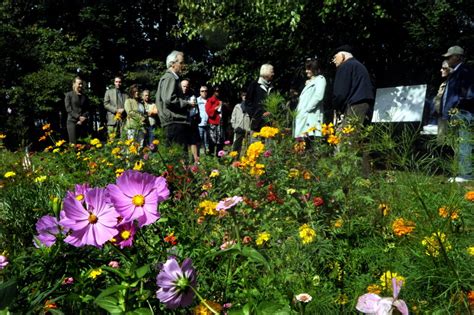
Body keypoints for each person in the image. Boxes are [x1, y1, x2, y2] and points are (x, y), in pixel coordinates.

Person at [441, 45, 474, 182]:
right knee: (457, 143)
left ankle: (466, 174)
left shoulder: (465, 70)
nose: (447, 59)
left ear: (458, 57)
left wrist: (457, 106)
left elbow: (470, 94)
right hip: (455, 114)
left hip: (463, 113)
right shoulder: (455, 72)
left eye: (450, 57)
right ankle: (460, 172)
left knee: (464, 142)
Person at [156, 51, 195, 151]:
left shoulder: (169, 78)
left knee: (173, 159)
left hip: (172, 123)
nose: (183, 65)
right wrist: (187, 104)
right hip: (174, 123)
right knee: (180, 158)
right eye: (181, 63)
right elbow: (169, 99)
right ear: (173, 64)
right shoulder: (170, 78)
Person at [332, 45, 374, 127]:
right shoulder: (359, 66)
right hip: (366, 107)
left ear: (342, 56)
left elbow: (340, 93)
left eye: (335, 57)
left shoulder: (345, 66)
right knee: (361, 137)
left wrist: (335, 105)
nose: (333, 61)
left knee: (346, 138)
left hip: (354, 107)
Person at [294, 58, 326, 139]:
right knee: (303, 143)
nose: (306, 71)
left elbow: (319, 96)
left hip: (311, 117)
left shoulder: (320, 79)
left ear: (315, 69)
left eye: (309, 69)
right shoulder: (311, 81)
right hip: (305, 116)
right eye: (306, 69)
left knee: (311, 142)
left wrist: (307, 108)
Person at [244, 64, 274, 133]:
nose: (273, 74)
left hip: (270, 125)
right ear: (265, 72)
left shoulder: (272, 87)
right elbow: (248, 104)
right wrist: (259, 115)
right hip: (257, 125)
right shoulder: (254, 85)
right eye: (271, 72)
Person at [65, 76, 89, 144]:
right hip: (72, 122)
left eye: (81, 84)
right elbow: (68, 109)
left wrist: (83, 117)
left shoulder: (85, 96)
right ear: (74, 84)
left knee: (83, 144)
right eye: (79, 84)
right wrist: (78, 117)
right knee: (73, 144)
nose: (80, 85)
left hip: (83, 122)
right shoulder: (69, 95)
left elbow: (87, 109)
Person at [182, 79, 200, 163]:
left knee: (193, 141)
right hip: (182, 121)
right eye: (184, 86)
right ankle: (185, 162)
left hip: (192, 121)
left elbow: (195, 108)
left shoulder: (192, 95)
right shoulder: (178, 96)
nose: (185, 88)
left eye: (187, 86)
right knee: (183, 143)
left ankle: (196, 161)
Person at [206, 86, 225, 156]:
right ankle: (210, 158)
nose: (218, 92)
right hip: (213, 124)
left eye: (219, 91)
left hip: (220, 123)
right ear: (213, 92)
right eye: (216, 91)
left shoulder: (220, 100)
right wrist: (216, 107)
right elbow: (208, 111)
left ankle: (219, 157)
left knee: (220, 142)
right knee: (212, 142)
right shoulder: (210, 100)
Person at [231, 91, 251, 157]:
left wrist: (249, 129)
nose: (245, 97)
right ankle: (234, 161)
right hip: (238, 130)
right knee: (236, 147)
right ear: (241, 96)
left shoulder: (250, 107)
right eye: (243, 95)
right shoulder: (237, 106)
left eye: (246, 95)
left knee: (246, 147)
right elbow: (233, 118)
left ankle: (244, 162)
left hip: (247, 130)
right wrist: (235, 127)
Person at [197, 85, 209, 155]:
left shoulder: (210, 100)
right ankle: (197, 157)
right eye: (202, 91)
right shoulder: (197, 100)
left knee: (207, 141)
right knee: (199, 141)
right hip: (199, 124)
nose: (204, 92)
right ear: (200, 92)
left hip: (208, 124)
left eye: (205, 91)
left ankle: (206, 156)